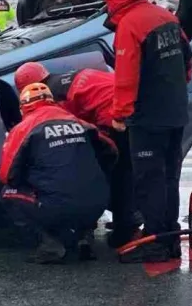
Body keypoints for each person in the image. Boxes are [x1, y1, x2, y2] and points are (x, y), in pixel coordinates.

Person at [104, 0, 192, 261]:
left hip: (148, 117)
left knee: (149, 180)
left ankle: (156, 241)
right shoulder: (165, 16)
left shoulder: (129, 25)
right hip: (176, 112)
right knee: (169, 177)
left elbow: (126, 76)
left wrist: (120, 115)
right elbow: (187, 57)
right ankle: (170, 237)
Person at [13, 61, 136, 248]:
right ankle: (127, 217)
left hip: (118, 118)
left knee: (117, 173)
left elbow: (67, 131)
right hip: (131, 104)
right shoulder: (68, 77)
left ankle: (125, 229)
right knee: (124, 170)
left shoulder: (55, 99)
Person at [0, 83, 116, 263]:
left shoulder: (24, 128)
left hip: (58, 206)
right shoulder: (79, 122)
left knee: (7, 194)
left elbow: (8, 175)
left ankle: (49, 245)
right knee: (81, 189)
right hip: (98, 203)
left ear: (24, 106)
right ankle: (83, 238)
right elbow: (112, 151)